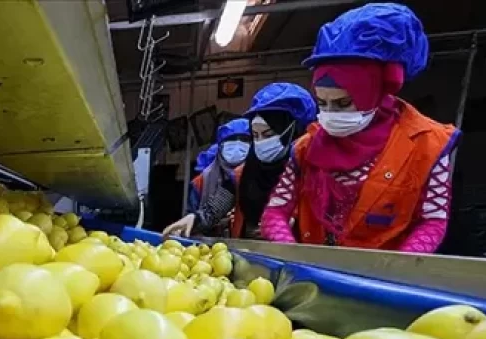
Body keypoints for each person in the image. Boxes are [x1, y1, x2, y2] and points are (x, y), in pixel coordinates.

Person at [258, 3, 458, 253]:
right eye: (323, 103)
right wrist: (295, 255)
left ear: (376, 90)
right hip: (318, 275)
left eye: (342, 102)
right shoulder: (306, 148)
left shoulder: (428, 145)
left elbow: (433, 220)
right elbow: (276, 209)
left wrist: (396, 270)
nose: (331, 114)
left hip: (385, 278)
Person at [232, 83, 317, 238]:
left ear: (294, 130)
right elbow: (217, 203)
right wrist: (197, 217)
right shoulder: (244, 173)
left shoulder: (313, 173)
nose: (261, 142)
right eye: (255, 136)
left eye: (268, 134)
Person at [164, 117, 250, 237]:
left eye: (244, 140)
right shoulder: (202, 182)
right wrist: (196, 220)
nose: (237, 146)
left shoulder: (257, 176)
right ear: (220, 147)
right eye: (231, 140)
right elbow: (205, 216)